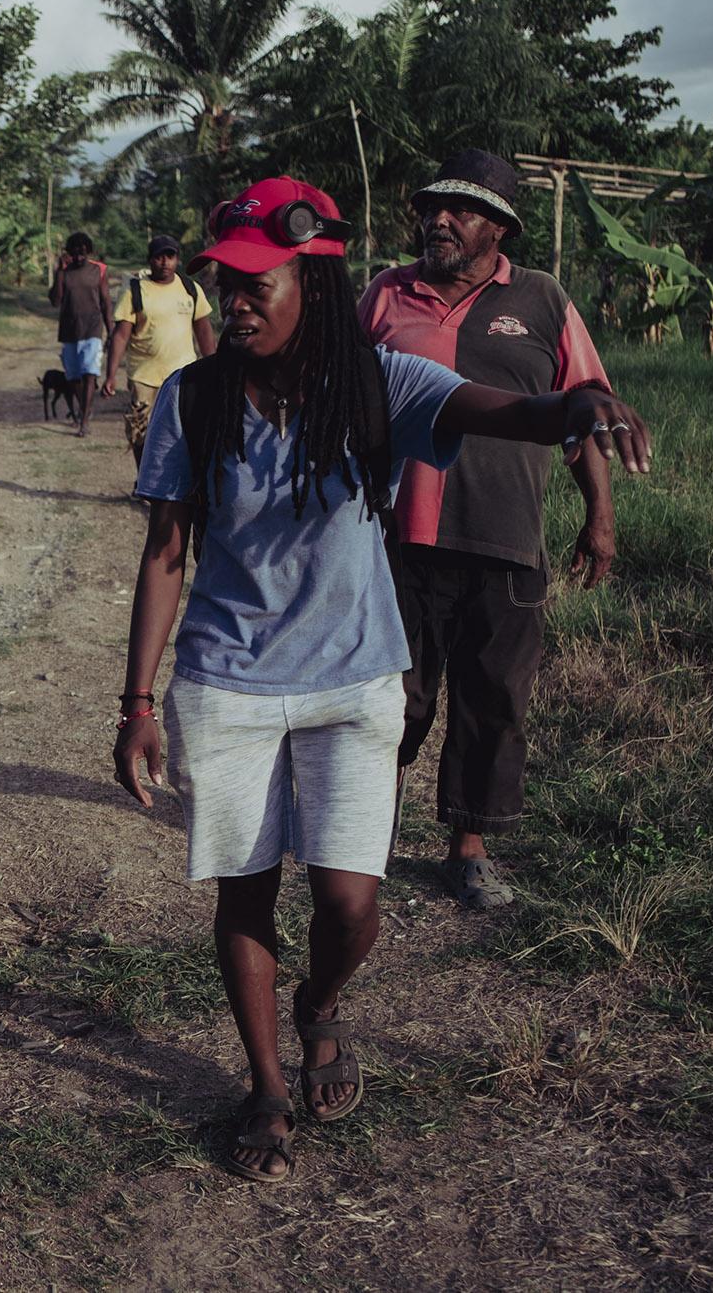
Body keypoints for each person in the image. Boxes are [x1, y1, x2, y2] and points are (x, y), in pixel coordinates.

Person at [113, 178, 648, 1184]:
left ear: (309, 284)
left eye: (250, 287)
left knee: (351, 900)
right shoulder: (194, 395)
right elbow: (163, 553)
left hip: (355, 677)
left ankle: (318, 1002)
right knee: (244, 893)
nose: (230, 304)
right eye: (222, 285)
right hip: (225, 682)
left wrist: (573, 403)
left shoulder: (376, 382)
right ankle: (265, 1085)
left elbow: (506, 409)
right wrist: (135, 702)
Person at [361, 149, 618, 910]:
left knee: (493, 697)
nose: (439, 218)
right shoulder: (385, 293)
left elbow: (585, 406)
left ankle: (467, 849)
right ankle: (366, 832)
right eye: (433, 206)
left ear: (499, 229)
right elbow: (338, 394)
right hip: (398, 537)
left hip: (506, 537)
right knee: (389, 697)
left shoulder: (541, 301)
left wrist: (599, 516)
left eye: (461, 209)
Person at [101, 234, 217, 464]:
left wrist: (214, 366)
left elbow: (203, 330)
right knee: (140, 432)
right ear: (150, 260)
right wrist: (111, 375)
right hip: (144, 376)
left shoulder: (190, 288)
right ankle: (144, 481)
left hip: (184, 374)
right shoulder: (135, 291)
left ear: (177, 260)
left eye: (170, 256)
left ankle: (181, 485)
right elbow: (121, 335)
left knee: (186, 429)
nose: (165, 262)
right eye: (159, 257)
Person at [49, 231, 112, 437]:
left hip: (92, 329)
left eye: (82, 253)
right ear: (68, 253)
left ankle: (84, 421)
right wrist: (59, 270)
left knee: (90, 374)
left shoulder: (98, 271)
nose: (78, 257)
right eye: (74, 253)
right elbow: (56, 301)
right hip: (69, 332)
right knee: (74, 377)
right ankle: (85, 407)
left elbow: (105, 302)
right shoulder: (64, 273)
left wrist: (111, 330)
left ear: (89, 251)